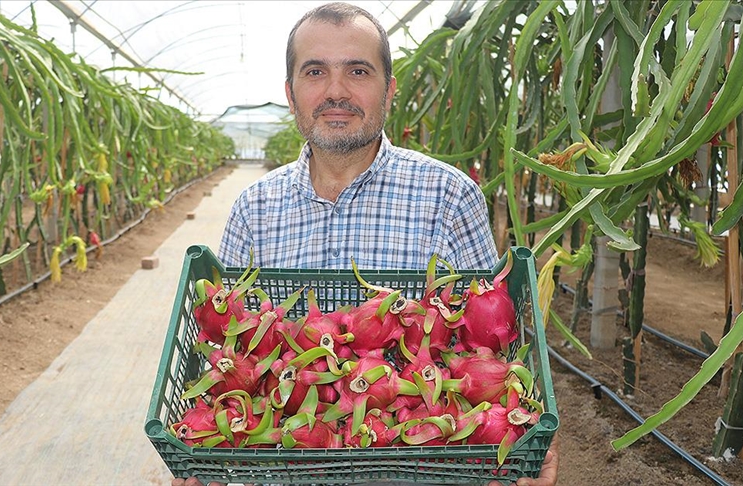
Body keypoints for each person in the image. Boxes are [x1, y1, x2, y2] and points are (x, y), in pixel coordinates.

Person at [174, 2, 559, 485]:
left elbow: (493, 347)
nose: (336, 92)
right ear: (291, 94)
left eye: (358, 71)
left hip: (421, 469)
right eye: (315, 72)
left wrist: (523, 440)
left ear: (389, 90)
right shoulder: (253, 208)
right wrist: (208, 456)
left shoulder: (450, 196)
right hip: (283, 469)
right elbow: (226, 345)